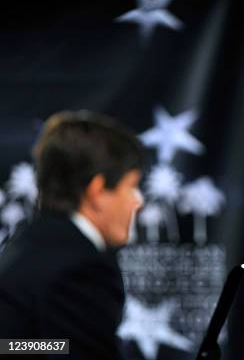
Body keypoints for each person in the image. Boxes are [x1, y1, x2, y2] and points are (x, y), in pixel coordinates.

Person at [0, 111, 144, 359]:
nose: (138, 201)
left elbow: (18, 345)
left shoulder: (29, 241)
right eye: (131, 186)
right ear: (97, 191)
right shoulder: (80, 268)